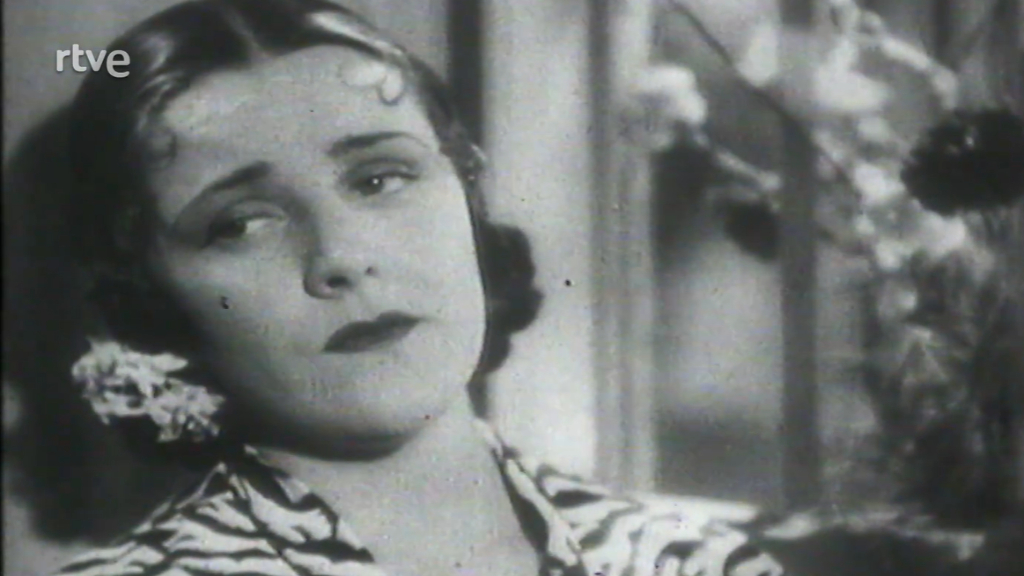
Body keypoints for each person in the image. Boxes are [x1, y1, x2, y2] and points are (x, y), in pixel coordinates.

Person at [52, 1, 790, 574]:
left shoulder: (689, 560)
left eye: (379, 178)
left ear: (467, 195)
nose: (342, 257)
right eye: (240, 223)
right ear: (152, 300)